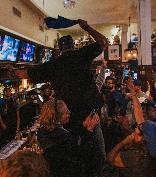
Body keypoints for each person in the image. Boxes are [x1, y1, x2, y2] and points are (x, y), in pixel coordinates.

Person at [14, 19, 108, 176]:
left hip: (68, 119)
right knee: (98, 156)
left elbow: (24, 73)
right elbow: (104, 42)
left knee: (74, 158)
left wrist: (11, 70)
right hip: (90, 114)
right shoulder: (82, 54)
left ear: (59, 49)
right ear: (73, 46)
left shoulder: (52, 65)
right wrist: (86, 27)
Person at [37, 99, 100, 177]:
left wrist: (83, 125)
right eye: (66, 112)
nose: (69, 113)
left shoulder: (42, 131)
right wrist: (90, 129)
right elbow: (82, 155)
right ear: (58, 117)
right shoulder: (64, 137)